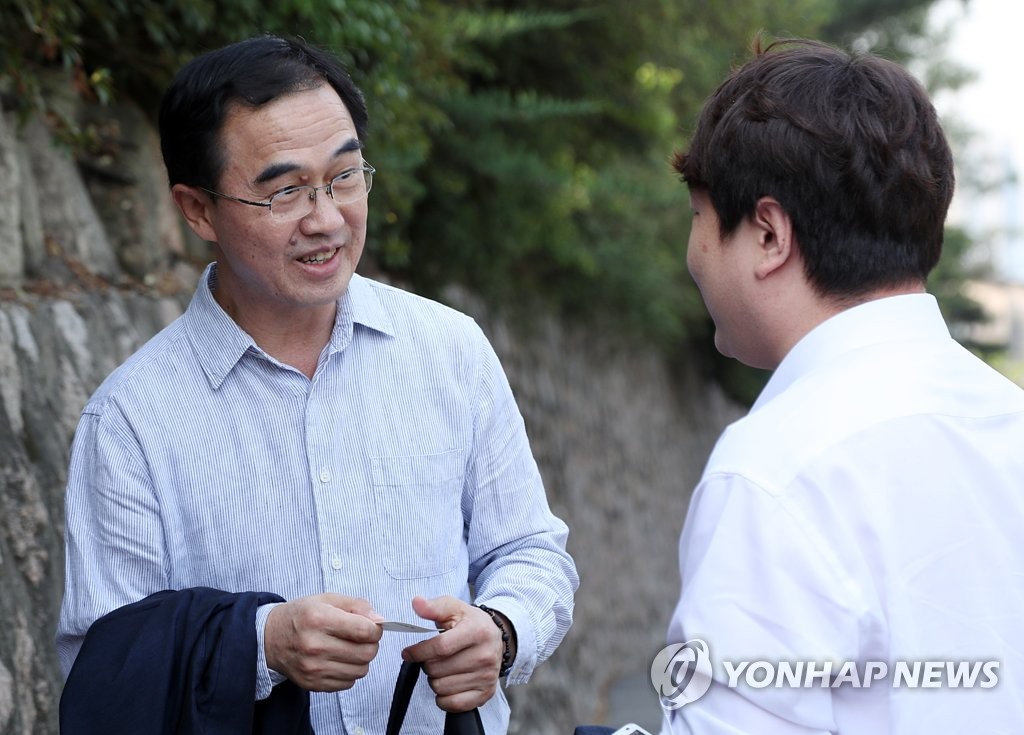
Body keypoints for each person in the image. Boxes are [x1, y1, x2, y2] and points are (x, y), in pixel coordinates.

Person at [56, 34, 578, 734]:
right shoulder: (130, 421)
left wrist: (503, 629)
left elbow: (529, 550)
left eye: (344, 176)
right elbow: (108, 667)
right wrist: (261, 644)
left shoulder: (450, 351)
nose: (327, 219)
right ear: (198, 209)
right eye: (284, 191)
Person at [660, 38, 1024, 733]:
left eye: (698, 217)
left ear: (769, 234)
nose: (694, 253)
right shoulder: (1010, 419)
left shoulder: (774, 470)